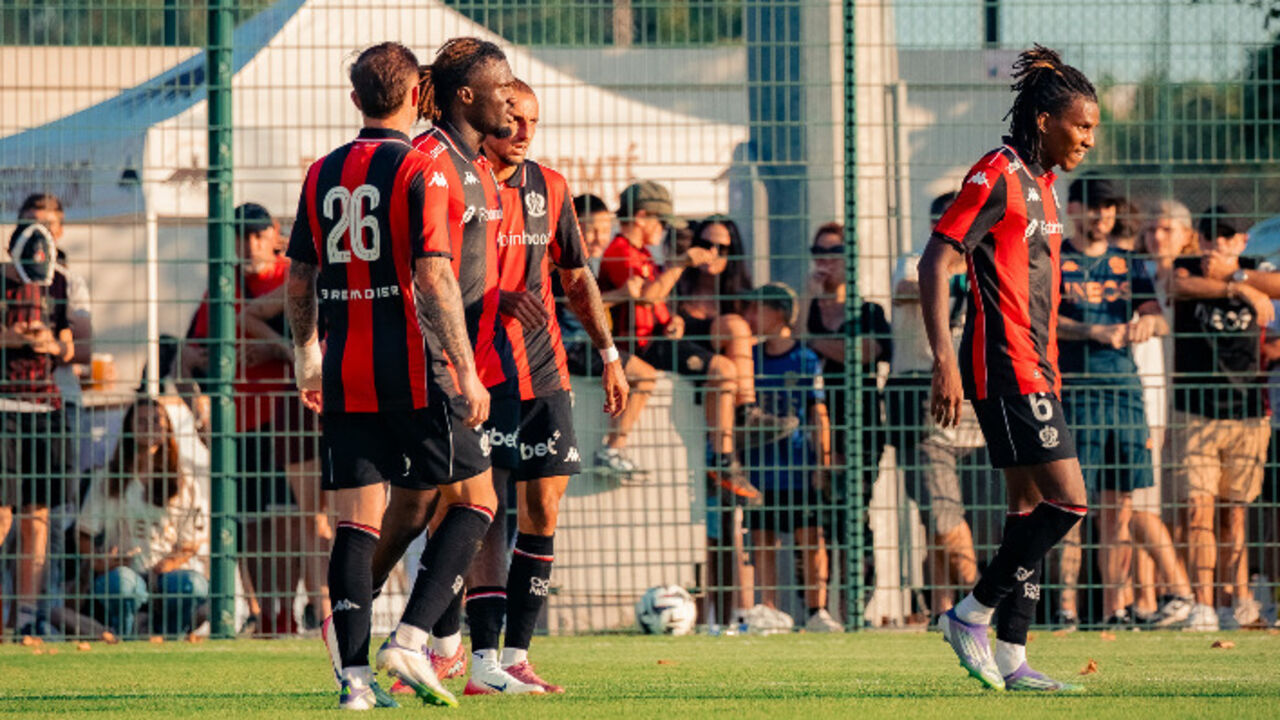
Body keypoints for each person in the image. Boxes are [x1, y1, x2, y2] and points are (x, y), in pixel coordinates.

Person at [286, 41, 500, 709]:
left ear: (355, 100)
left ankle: (353, 684)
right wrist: (466, 370)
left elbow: (300, 278)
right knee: (477, 503)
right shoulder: (420, 170)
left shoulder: (320, 172)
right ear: (418, 96)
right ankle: (410, 640)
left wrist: (305, 353)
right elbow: (433, 276)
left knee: (355, 524)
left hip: (345, 367)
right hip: (411, 368)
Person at [920, 45, 1097, 691]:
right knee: (1070, 502)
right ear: (1047, 119)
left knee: (1027, 508)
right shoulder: (996, 172)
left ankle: (1014, 656)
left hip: (1039, 368)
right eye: (1081, 126)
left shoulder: (1045, 184)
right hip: (1004, 364)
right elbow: (935, 260)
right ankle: (970, 614)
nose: (1088, 140)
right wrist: (946, 359)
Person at [453, 78, 627, 695]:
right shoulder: (456, 180)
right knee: (480, 515)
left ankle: (517, 656)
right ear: (486, 118)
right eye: (513, 120)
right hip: (478, 377)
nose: (524, 132)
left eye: (532, 121)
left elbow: (577, 277)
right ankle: (475, 657)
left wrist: (609, 354)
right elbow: (432, 274)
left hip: (545, 372)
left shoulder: (549, 188)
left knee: (543, 510)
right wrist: (494, 300)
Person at [598, 181, 794, 504]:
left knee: (724, 369)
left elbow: (651, 302)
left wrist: (668, 319)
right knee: (721, 369)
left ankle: (729, 449)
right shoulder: (621, 250)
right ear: (644, 217)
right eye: (661, 224)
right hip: (640, 345)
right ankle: (725, 458)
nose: (662, 232)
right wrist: (680, 264)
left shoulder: (641, 253)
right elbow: (646, 297)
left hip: (652, 339)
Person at [1055, 178, 1193, 629]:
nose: (1103, 217)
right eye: (1095, 208)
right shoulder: (1056, 257)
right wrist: (1093, 331)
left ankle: (1116, 609)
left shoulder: (1129, 263)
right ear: (1074, 209)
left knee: (1120, 508)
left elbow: (1156, 317)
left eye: (1110, 209)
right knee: (1069, 506)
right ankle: (1066, 609)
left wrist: (1145, 325)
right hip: (1075, 391)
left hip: (1125, 393)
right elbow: (1040, 320)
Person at [183, 202, 325, 636]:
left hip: (286, 417)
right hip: (238, 422)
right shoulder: (222, 286)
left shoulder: (292, 277)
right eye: (241, 236)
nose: (249, 244)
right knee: (250, 525)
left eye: (257, 235)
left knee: (292, 519)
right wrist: (199, 408)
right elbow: (188, 355)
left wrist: (277, 349)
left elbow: (294, 340)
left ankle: (294, 609)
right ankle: (265, 613)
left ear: (274, 235)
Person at [1167, 207, 1280, 631]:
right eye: (1211, 236)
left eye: (1228, 237)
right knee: (1199, 508)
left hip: (1248, 411)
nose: (1218, 243)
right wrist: (1239, 292)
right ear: (1201, 237)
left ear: (1242, 242)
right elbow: (1178, 285)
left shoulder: (1253, 268)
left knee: (1236, 512)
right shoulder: (1185, 265)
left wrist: (1238, 278)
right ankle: (1203, 605)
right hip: (1194, 410)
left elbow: (1278, 285)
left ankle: (1240, 602)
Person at [886, 192, 985, 620]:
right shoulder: (917, 260)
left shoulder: (986, 264)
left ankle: (945, 608)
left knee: (967, 516)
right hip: (919, 394)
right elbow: (909, 288)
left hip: (974, 400)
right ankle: (983, 603)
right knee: (939, 510)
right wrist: (959, 273)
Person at [742, 282, 841, 633]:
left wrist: (822, 462)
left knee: (811, 535)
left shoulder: (806, 359)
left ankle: (818, 612)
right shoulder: (750, 358)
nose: (751, 316)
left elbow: (819, 414)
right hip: (760, 468)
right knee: (763, 537)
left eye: (758, 309)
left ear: (779, 313)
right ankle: (769, 608)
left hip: (798, 465)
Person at [800, 222, 889, 612]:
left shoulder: (869, 310)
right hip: (813, 426)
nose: (825, 261)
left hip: (861, 425)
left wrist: (814, 342)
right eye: (818, 252)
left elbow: (866, 353)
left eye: (833, 253)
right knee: (816, 518)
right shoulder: (806, 307)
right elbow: (791, 341)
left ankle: (854, 605)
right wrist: (808, 301)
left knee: (854, 515)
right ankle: (819, 611)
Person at [75, 398, 209, 638]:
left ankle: (171, 637)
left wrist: (167, 565)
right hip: (125, 571)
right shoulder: (109, 477)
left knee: (192, 585)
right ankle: (126, 637)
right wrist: (101, 561)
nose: (149, 427)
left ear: (167, 428)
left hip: (166, 573)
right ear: (129, 429)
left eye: (156, 421)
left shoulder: (182, 480)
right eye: (142, 421)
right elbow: (84, 534)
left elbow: (191, 541)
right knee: (122, 584)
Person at [0, 218, 74, 636]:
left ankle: (26, 619)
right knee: (2, 517)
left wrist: (51, 344)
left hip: (45, 408)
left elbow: (71, 343)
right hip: (4, 405)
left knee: (37, 516)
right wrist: (11, 338)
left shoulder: (58, 284)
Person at [559, 193, 656, 479]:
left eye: (605, 229)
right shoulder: (564, 257)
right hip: (569, 346)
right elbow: (576, 305)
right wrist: (621, 295)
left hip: (579, 345)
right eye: (592, 229)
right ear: (573, 226)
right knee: (644, 376)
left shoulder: (585, 260)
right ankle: (612, 450)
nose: (600, 237)